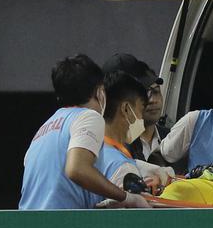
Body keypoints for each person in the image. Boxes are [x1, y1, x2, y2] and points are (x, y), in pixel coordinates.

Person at [19, 55, 149, 210]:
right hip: (59, 222)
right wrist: (126, 197)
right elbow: (76, 169)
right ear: (100, 91)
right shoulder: (89, 116)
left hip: (28, 220)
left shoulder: (45, 127)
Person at [97, 71, 174, 194]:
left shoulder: (89, 150)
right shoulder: (124, 169)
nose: (140, 118)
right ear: (126, 109)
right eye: (140, 110)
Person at [102, 53, 167, 163]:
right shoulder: (105, 150)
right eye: (143, 94)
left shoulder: (173, 139)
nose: (151, 100)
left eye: (156, 91)